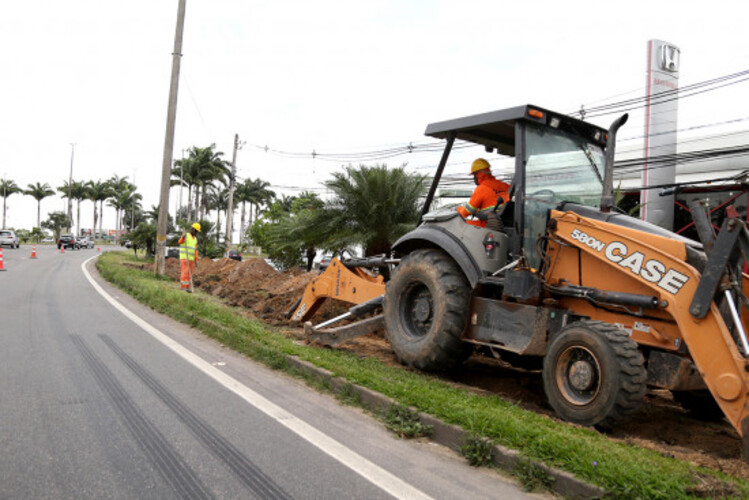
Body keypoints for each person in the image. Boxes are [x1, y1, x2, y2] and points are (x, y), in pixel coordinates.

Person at [456, 158, 510, 227]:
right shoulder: (505, 186)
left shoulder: (481, 189)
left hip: (491, 226)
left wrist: (458, 208)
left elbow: (466, 212)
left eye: (474, 175)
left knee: (462, 226)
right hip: (506, 225)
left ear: (478, 175)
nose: (474, 178)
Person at [179, 223, 201, 292]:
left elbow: (195, 251)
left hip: (191, 259)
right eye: (196, 231)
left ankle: (187, 287)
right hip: (184, 257)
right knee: (185, 272)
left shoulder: (195, 239)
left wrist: (196, 260)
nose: (197, 233)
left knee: (189, 274)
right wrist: (182, 237)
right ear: (193, 230)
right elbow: (180, 242)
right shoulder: (186, 236)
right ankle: (183, 287)